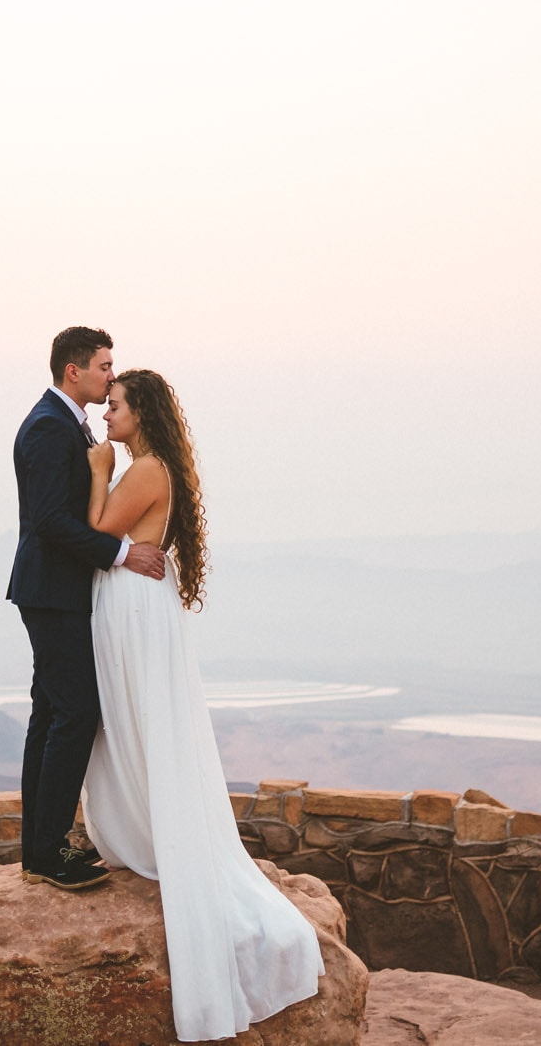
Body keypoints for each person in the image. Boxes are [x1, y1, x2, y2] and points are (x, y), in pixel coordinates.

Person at [80, 368, 324, 1041]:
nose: (108, 416)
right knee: (134, 722)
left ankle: (153, 832)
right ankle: (140, 826)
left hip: (133, 608)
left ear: (144, 413)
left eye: (117, 407)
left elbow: (99, 525)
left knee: (143, 723)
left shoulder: (144, 469)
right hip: (131, 602)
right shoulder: (155, 466)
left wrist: (98, 468)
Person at [6, 326, 168, 891]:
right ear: (73, 371)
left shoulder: (65, 425)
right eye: (104, 366)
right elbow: (50, 522)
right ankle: (49, 852)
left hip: (58, 592)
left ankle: (39, 850)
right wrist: (124, 553)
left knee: (52, 715)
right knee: (75, 714)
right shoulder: (50, 427)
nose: (110, 375)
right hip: (53, 592)